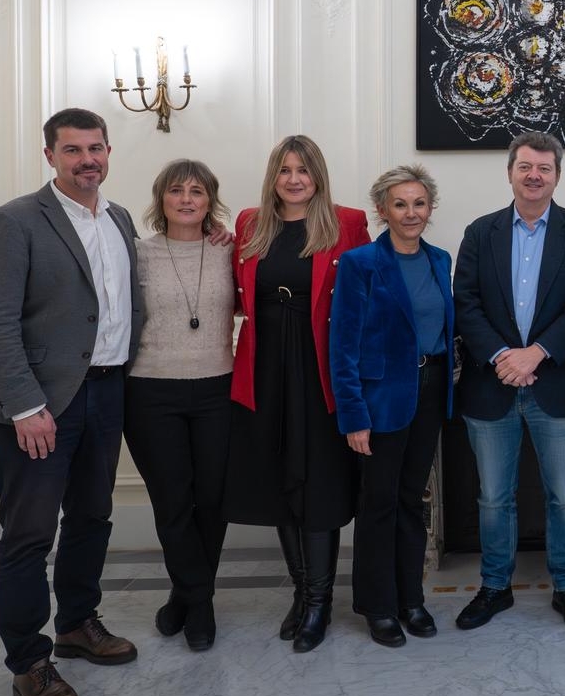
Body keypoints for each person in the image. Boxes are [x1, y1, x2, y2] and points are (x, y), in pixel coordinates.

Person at [0, 107, 143, 696]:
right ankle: (28, 663)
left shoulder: (118, 219)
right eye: (73, 150)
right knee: (29, 535)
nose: (87, 160)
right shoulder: (12, 222)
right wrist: (27, 406)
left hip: (106, 392)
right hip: (37, 407)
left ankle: (76, 622)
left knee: (93, 516)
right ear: (50, 156)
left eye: (96, 148)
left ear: (109, 151)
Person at [223, 135, 370, 653]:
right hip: (264, 370)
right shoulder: (249, 224)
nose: (293, 179)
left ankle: (319, 602)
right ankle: (302, 593)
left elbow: (362, 301)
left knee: (320, 484)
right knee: (280, 483)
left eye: (303, 170)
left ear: (318, 176)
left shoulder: (346, 223)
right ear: (273, 176)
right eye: (284, 169)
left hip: (320, 369)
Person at [453, 131, 565, 632]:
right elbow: (465, 304)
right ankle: (495, 588)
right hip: (491, 387)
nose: (534, 175)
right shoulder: (480, 232)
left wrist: (534, 354)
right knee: (494, 498)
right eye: (526, 167)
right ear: (510, 172)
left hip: (556, 386)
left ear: (557, 175)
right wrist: (503, 356)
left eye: (545, 168)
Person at [330, 165, 455, 649]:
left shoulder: (439, 259)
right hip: (380, 399)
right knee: (378, 503)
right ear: (382, 210)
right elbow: (342, 346)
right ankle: (378, 605)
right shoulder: (361, 263)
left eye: (419, 203)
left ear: (430, 208)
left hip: (429, 389)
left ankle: (411, 598)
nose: (410, 213)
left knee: (411, 501)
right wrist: (353, 415)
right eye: (399, 204)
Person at [123, 159, 236, 652]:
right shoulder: (136, 255)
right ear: (160, 199)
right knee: (173, 502)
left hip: (219, 389)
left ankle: (184, 595)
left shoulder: (232, 251)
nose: (187, 199)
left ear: (210, 200)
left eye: (197, 191)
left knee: (211, 501)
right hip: (150, 391)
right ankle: (201, 602)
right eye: (176, 190)